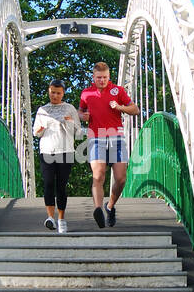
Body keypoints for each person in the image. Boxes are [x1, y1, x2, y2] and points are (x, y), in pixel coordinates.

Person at [79, 61, 139, 228]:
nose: (102, 80)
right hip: (96, 138)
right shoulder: (86, 93)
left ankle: (110, 206)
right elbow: (80, 111)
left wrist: (120, 107)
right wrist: (83, 116)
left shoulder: (118, 91)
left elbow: (135, 109)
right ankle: (98, 209)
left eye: (105, 77)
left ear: (109, 76)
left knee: (120, 179)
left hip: (116, 138)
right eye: (99, 78)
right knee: (98, 175)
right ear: (93, 77)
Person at [32, 79, 80, 232]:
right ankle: (50, 218)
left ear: (63, 93)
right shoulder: (42, 110)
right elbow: (36, 133)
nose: (55, 95)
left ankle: (61, 219)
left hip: (65, 151)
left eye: (58, 93)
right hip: (47, 150)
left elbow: (79, 132)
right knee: (48, 184)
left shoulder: (70, 108)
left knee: (61, 186)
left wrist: (70, 122)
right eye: (53, 92)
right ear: (49, 91)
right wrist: (41, 128)